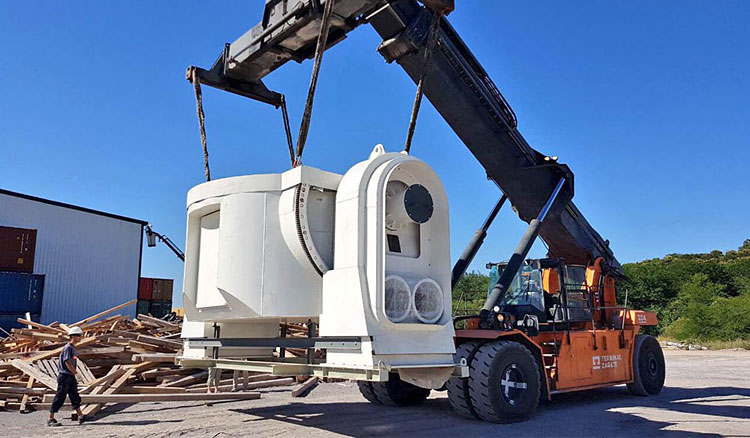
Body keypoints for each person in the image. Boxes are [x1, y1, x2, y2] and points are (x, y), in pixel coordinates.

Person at [48, 326, 86, 426]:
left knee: (75, 396)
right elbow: (67, 362)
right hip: (64, 376)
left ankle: (81, 415)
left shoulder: (73, 348)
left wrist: (74, 374)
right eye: (79, 335)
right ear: (73, 336)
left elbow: (72, 361)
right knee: (60, 397)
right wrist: (76, 373)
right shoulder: (68, 348)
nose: (80, 337)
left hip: (70, 376)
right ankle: (51, 418)